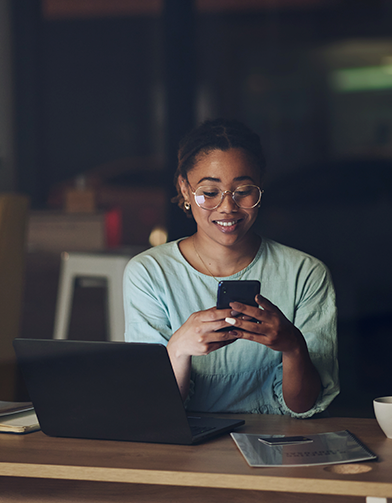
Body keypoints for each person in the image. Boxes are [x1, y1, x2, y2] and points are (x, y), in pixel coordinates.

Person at [123, 118, 338, 418]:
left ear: (261, 186)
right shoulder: (149, 273)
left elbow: (302, 405)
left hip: (280, 446)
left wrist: (293, 347)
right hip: (186, 452)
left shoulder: (305, 274)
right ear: (184, 189)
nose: (227, 207)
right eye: (209, 192)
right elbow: (154, 407)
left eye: (243, 190)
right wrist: (179, 348)